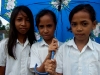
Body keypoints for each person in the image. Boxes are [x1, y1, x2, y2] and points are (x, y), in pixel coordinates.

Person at [44, 4, 100, 75]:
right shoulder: (63, 50)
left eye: (84, 24)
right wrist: (53, 72)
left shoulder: (98, 50)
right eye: (74, 24)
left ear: (93, 25)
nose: (79, 29)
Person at [0, 5, 36, 75]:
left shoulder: (34, 45)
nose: (23, 24)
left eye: (28, 20)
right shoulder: (4, 45)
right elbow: (1, 71)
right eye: (19, 19)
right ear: (13, 21)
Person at [30, 9, 62, 74]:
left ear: (55, 26)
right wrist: (49, 55)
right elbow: (37, 72)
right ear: (38, 28)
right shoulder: (35, 47)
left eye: (49, 26)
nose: (45, 30)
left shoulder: (63, 47)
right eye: (41, 27)